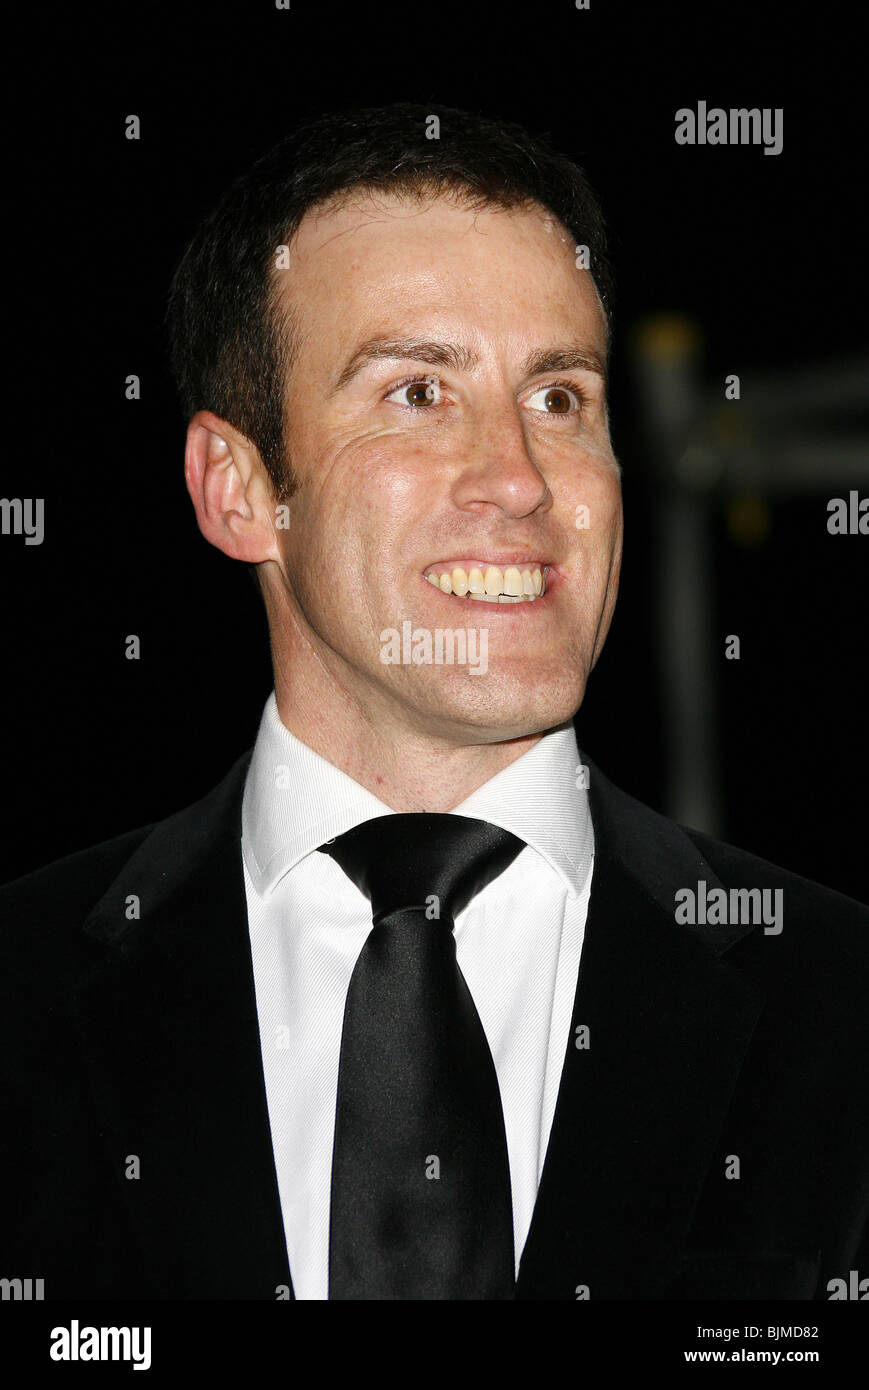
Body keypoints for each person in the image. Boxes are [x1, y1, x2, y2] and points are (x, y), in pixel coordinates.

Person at [1, 104, 866, 1302]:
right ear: (239, 489)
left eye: (558, 396)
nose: (517, 478)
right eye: (417, 391)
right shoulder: (22, 990)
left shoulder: (841, 1002)